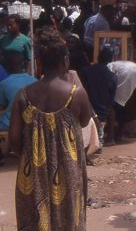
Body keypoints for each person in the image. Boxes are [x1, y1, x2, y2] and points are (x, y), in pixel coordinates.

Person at [9, 26, 94, 230]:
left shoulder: (23, 95)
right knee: (69, 218)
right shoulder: (77, 93)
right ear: (65, 61)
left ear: (38, 63)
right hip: (69, 168)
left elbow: (13, 141)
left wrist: (32, 153)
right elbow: (84, 122)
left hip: (33, 173)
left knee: (33, 219)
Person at [81, 47, 118, 147]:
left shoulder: (86, 70)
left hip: (87, 108)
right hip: (102, 112)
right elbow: (111, 100)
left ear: (98, 57)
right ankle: (110, 138)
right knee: (112, 112)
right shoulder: (112, 77)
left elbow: (82, 88)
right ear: (111, 60)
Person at [0, 52, 37, 133]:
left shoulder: (4, 83)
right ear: (25, 66)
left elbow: (2, 104)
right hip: (31, 125)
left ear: (7, 67)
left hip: (8, 124)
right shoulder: (35, 81)